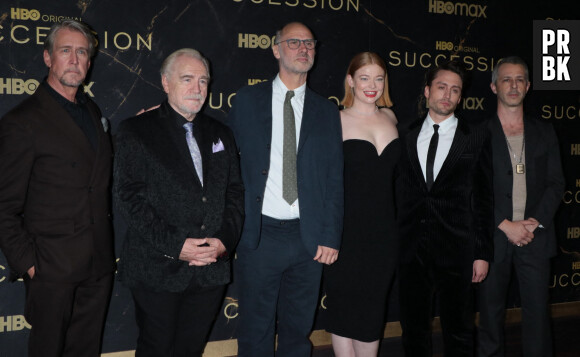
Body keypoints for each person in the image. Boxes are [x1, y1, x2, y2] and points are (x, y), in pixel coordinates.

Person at [113, 48, 244, 357]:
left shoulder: (221, 132)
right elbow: (129, 197)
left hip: (210, 270)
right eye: (187, 79)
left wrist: (224, 242)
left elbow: (235, 193)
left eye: (203, 81)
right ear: (165, 83)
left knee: (190, 349)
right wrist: (177, 245)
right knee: (156, 349)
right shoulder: (137, 131)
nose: (197, 89)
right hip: (156, 268)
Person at [227, 22, 344, 356]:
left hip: (309, 240)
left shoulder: (325, 110)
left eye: (309, 43)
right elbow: (220, 152)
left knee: (297, 332)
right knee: (255, 330)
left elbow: (335, 176)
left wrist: (330, 235)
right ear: (276, 49)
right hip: (259, 234)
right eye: (294, 42)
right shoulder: (248, 100)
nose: (303, 48)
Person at [0, 20, 115, 357]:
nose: (75, 59)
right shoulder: (22, 122)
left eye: (82, 52)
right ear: (48, 58)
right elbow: (3, 205)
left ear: (90, 62)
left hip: (98, 264)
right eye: (65, 50)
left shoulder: (92, 112)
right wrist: (32, 266)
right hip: (52, 270)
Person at [395, 61, 493, 356]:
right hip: (411, 249)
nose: (447, 95)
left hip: (457, 250)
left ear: (461, 97)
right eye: (441, 87)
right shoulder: (405, 133)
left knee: (459, 331)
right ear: (427, 91)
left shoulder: (475, 137)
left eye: (455, 90)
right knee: (413, 331)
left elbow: (484, 199)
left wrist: (481, 253)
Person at [477, 56, 564, 357]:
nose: (512, 85)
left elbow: (556, 184)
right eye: (506, 79)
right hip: (493, 237)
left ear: (528, 86)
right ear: (493, 86)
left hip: (534, 237)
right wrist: (505, 224)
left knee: (538, 317)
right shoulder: (477, 134)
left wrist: (532, 222)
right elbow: (473, 190)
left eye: (519, 80)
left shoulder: (545, 131)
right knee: (489, 317)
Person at [323, 52, 399, 357]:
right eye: (364, 78)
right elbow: (323, 182)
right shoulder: (335, 120)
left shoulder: (392, 118)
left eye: (378, 78)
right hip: (344, 234)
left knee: (372, 313)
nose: (372, 85)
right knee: (343, 312)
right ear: (351, 81)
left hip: (385, 234)